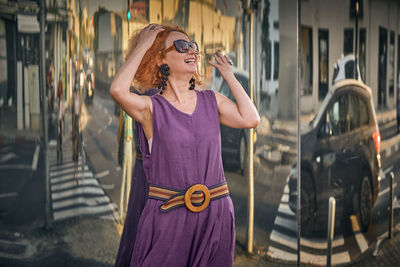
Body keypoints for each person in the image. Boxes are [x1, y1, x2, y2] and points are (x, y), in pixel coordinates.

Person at [110, 24, 260, 266]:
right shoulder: (151, 108)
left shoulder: (212, 100)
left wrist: (229, 75)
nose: (192, 50)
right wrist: (145, 44)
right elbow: (117, 90)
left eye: (193, 46)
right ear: (160, 58)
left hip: (215, 217)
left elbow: (251, 118)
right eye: (182, 46)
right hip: (168, 220)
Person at [114, 87, 159, 267]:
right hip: (153, 174)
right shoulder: (154, 95)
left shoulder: (140, 92)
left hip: (142, 170)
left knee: (135, 232)